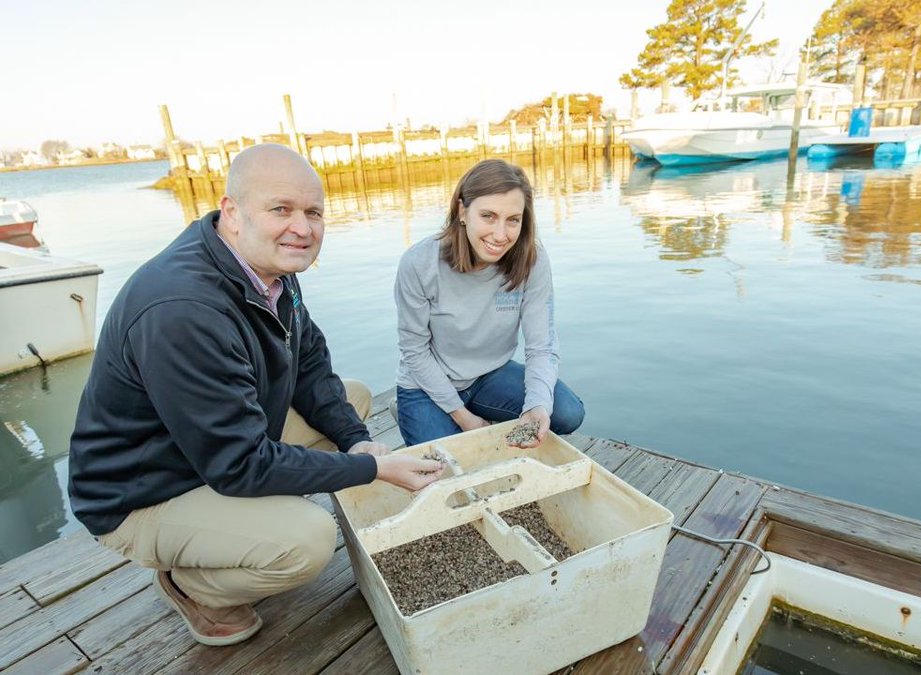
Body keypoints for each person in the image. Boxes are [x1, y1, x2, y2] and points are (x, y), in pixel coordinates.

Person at [68, 144, 443, 647]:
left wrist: (355, 441)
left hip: (204, 451)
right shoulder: (181, 308)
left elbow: (309, 365)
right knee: (308, 541)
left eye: (313, 212)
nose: (303, 228)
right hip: (141, 492)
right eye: (281, 209)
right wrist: (373, 468)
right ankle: (192, 586)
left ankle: (243, 523)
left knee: (348, 401)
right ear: (232, 212)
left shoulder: (270, 269)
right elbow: (240, 464)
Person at [394, 159, 585, 448]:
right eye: (488, 216)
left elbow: (541, 345)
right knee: (450, 466)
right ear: (462, 211)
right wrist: (465, 419)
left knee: (568, 414)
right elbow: (414, 350)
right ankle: (411, 414)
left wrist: (537, 405)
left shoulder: (532, 260)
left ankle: (482, 411)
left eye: (513, 220)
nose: (500, 235)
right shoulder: (419, 262)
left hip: (489, 375)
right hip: (426, 386)